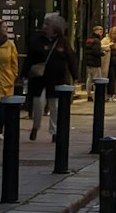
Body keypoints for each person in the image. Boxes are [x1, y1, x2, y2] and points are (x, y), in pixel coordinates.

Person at [24, 13, 77, 141]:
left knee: (55, 106)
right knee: (38, 104)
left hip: (56, 79)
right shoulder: (37, 40)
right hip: (39, 79)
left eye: (48, 25)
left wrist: (74, 76)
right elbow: (29, 59)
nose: (45, 27)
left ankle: (54, 131)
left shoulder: (63, 42)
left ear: (55, 27)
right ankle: (36, 127)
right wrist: (24, 74)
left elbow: (71, 59)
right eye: (45, 24)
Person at [83, 24, 107, 101]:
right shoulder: (97, 41)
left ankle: (89, 95)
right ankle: (98, 95)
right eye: (100, 31)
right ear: (96, 31)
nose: (101, 33)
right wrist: (103, 53)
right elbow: (96, 51)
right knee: (97, 79)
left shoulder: (89, 39)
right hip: (95, 62)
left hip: (88, 62)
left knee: (89, 79)